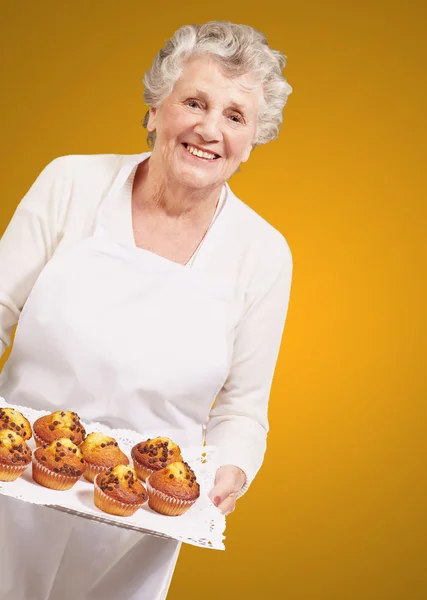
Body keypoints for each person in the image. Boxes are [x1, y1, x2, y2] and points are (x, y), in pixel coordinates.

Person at [0, 20, 293, 600]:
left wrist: (230, 471)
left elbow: (242, 408)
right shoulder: (72, 182)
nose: (209, 129)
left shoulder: (263, 254)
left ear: (253, 139)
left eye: (235, 116)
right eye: (194, 102)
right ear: (156, 109)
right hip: (13, 482)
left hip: (141, 524)